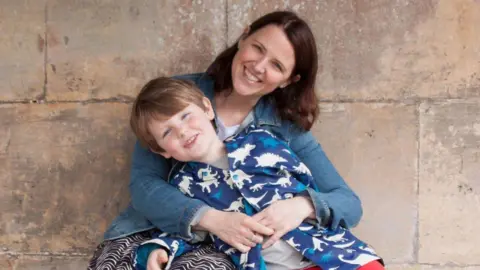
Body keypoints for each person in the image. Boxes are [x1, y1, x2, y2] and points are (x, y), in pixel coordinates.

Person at [88, 10, 365, 270]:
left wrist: (300, 206)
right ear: (243, 37)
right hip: (164, 231)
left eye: (276, 65)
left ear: (288, 80)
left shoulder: (285, 128)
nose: (258, 66)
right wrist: (211, 219)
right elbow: (144, 185)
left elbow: (347, 203)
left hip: (241, 248)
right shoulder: (178, 95)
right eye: (258, 48)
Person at [129, 77, 384, 270]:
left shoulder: (261, 141)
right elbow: (184, 233)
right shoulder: (181, 187)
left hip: (333, 254)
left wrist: (302, 204)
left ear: (207, 108)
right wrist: (157, 251)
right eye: (167, 132)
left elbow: (308, 182)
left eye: (186, 116)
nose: (183, 131)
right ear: (159, 150)